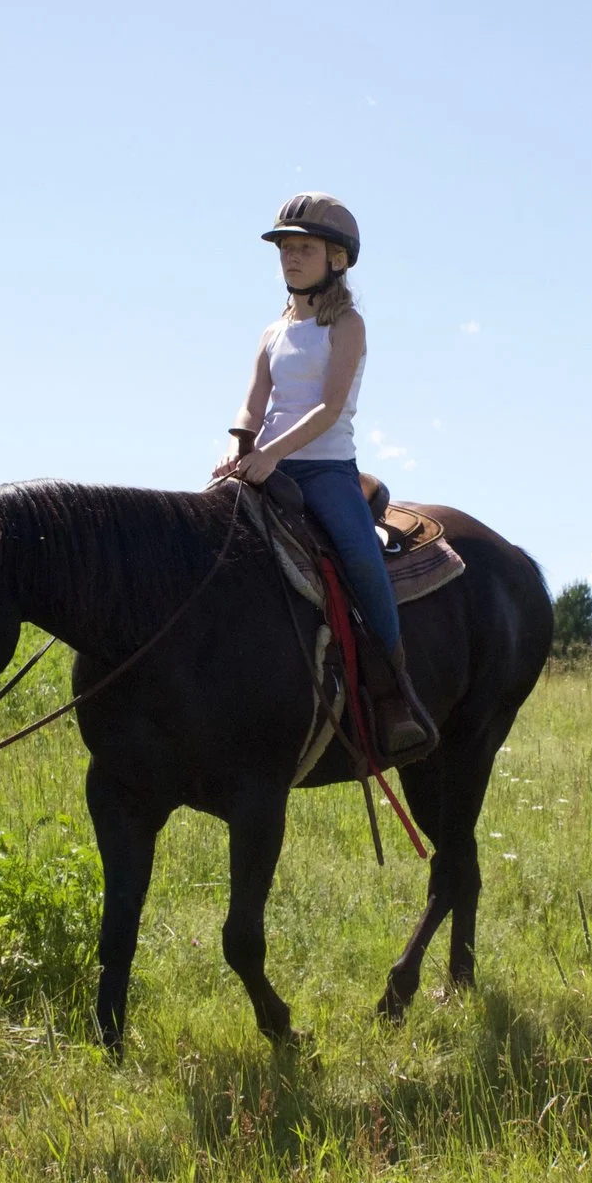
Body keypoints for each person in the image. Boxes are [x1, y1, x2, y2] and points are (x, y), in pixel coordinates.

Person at [212, 193, 438, 762]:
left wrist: (271, 455)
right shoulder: (272, 332)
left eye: (304, 247)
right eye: (285, 247)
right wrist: (238, 449)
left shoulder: (348, 325)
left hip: (326, 469)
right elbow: (252, 403)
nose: (290, 257)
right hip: (263, 458)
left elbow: (328, 409)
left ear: (337, 259)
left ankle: (394, 693)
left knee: (363, 561)